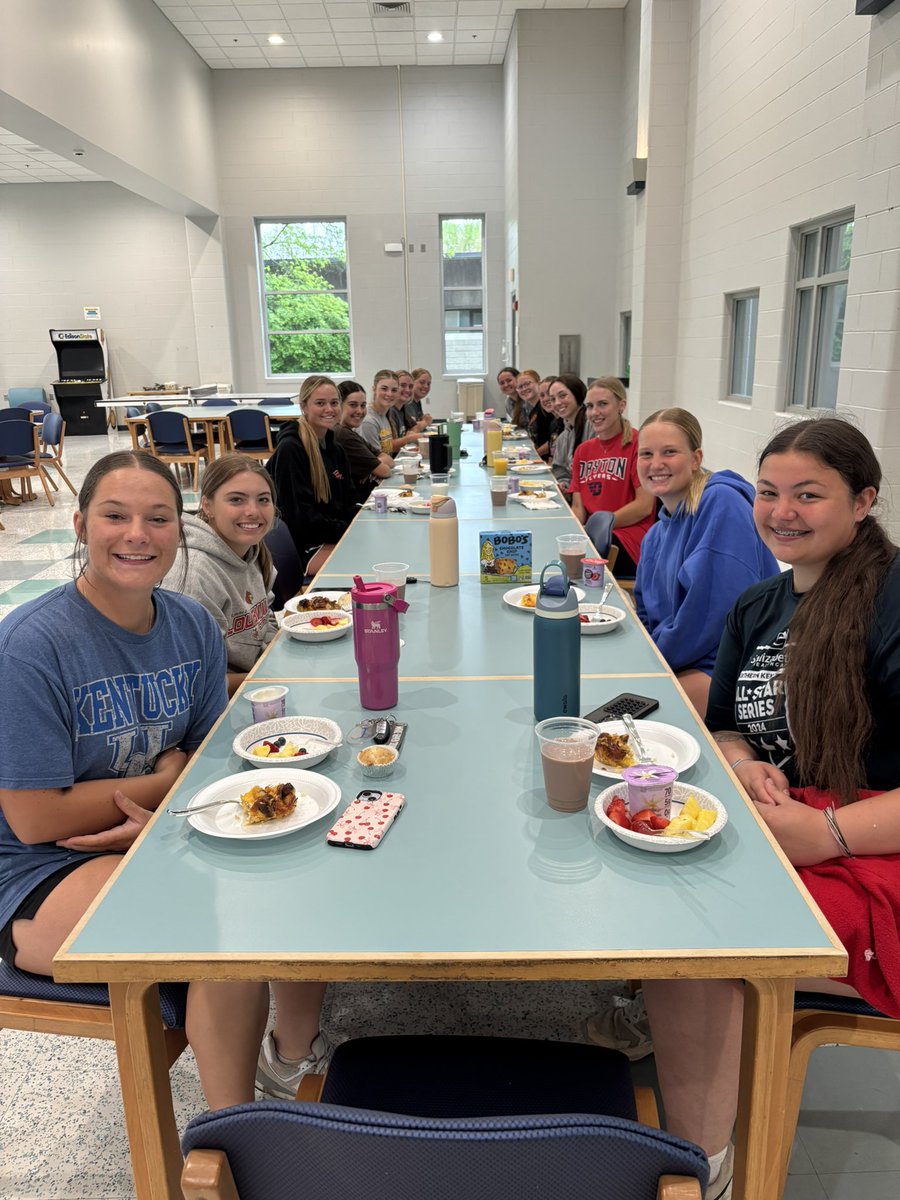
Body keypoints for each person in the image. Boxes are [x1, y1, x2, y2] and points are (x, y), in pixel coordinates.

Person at [598, 418, 900, 1200]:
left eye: (810, 495)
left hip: (871, 846)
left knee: (694, 927)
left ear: (863, 501)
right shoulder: (761, 605)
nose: (781, 512)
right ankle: (678, 1043)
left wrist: (825, 832)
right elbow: (728, 722)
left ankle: (709, 1170)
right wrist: (744, 764)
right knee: (646, 855)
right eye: (769, 493)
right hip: (789, 821)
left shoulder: (891, 601)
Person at [0, 451, 328, 1110]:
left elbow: (207, 751)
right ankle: (232, 1133)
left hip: (151, 833)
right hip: (38, 871)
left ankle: (293, 1061)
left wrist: (175, 797)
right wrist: (165, 783)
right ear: (78, 524)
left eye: (156, 518)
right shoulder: (32, 646)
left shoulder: (190, 626)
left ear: (178, 531)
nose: (137, 535)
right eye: (114, 516)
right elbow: (36, 819)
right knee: (221, 928)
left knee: (299, 869)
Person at [633, 409, 779, 718]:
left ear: (696, 458)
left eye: (669, 452)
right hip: (677, 657)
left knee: (630, 720)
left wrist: (649, 661)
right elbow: (644, 612)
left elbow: (713, 615)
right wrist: (644, 655)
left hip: (730, 664)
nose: (656, 464)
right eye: (646, 454)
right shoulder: (655, 536)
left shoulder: (720, 502)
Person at [162, 454, 279, 697]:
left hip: (256, 683)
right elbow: (194, 682)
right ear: (207, 506)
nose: (252, 511)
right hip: (219, 708)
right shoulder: (194, 574)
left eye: (263, 500)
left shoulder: (251, 550)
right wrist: (271, 675)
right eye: (236, 500)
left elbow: (265, 617)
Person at [266, 375, 356, 577]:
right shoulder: (291, 449)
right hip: (305, 547)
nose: (329, 409)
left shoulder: (336, 449)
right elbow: (301, 519)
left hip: (330, 535)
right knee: (364, 560)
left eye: (334, 403)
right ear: (304, 406)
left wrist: (356, 524)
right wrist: (347, 530)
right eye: (320, 403)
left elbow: (349, 498)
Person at [569, 376, 654, 577]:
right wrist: (573, 532)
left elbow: (644, 506)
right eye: (589, 406)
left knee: (580, 562)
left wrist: (598, 528)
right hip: (592, 536)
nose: (594, 412)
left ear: (621, 405)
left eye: (603, 404)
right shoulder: (583, 451)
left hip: (626, 537)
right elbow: (578, 507)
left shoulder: (637, 445)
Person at [335, 380, 392, 504]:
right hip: (359, 503)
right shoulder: (343, 435)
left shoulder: (350, 432)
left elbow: (388, 459)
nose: (360, 411)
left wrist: (374, 464)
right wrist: (374, 464)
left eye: (363, 405)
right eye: (353, 405)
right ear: (339, 405)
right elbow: (384, 470)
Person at [547, 373, 592, 498]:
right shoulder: (563, 437)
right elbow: (560, 470)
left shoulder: (593, 426)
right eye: (553, 399)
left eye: (563, 396)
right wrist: (563, 485)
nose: (557, 403)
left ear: (578, 395)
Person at [358, 370, 420, 457]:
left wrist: (406, 450)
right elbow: (374, 462)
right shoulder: (368, 421)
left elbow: (386, 449)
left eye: (394, 390)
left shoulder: (384, 416)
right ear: (374, 389)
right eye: (384, 389)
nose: (389, 394)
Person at [526, 373, 559, 460]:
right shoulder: (555, 422)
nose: (546, 399)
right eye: (542, 395)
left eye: (549, 393)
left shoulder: (565, 422)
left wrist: (533, 456)